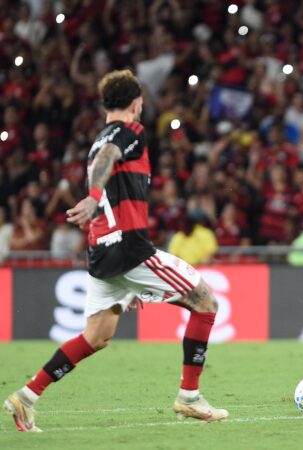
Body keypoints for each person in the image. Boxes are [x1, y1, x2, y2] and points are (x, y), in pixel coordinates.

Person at [4, 70, 228, 433]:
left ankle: (27, 397)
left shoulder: (96, 141)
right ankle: (189, 396)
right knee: (205, 302)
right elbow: (110, 157)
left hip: (102, 252)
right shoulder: (129, 134)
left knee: (96, 336)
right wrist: (93, 198)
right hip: (130, 247)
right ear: (136, 103)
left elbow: (104, 159)